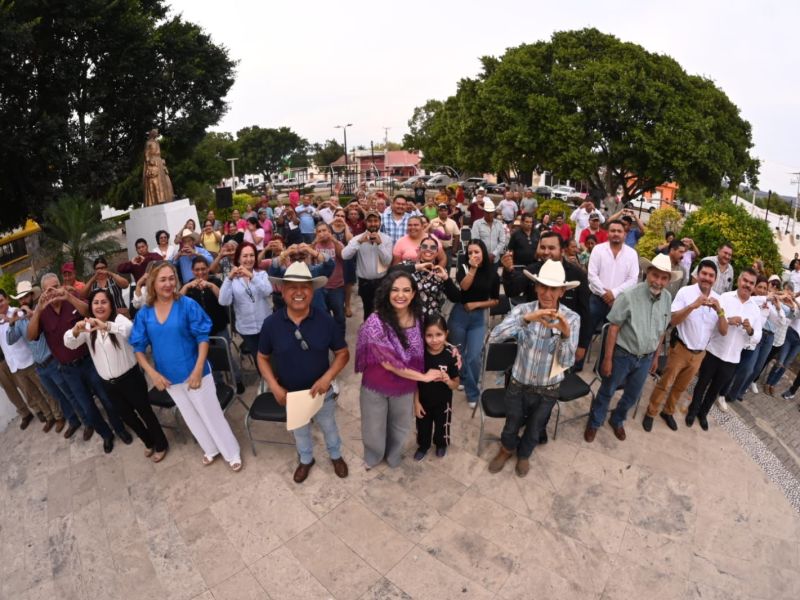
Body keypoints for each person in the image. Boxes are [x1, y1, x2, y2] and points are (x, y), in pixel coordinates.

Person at [131, 262, 242, 470]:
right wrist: (153, 374)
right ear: (153, 283)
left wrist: (199, 369)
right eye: (163, 279)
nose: (168, 283)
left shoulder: (187, 304)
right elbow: (137, 347)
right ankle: (210, 449)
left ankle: (231, 452)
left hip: (195, 371)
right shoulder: (145, 314)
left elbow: (203, 338)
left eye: (171, 278)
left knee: (211, 414)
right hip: (168, 378)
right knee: (191, 416)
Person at [257, 262, 349, 483]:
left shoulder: (326, 320)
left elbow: (343, 353)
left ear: (312, 290)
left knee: (329, 426)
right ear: (283, 290)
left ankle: (335, 455)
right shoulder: (271, 324)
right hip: (291, 395)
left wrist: (328, 377)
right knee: (300, 432)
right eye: (292, 287)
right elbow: (262, 357)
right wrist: (274, 386)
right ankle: (306, 459)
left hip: (322, 393)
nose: (299, 292)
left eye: (305, 287)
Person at [487, 260, 580, 476]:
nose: (547, 293)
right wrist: (526, 320)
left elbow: (567, 362)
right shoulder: (523, 309)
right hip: (519, 382)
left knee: (536, 426)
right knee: (512, 423)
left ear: (561, 291)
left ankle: (524, 455)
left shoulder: (572, 319)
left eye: (553, 288)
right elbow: (495, 336)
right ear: (536, 286)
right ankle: (506, 448)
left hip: (548, 388)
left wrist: (565, 335)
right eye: (543, 287)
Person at [28, 273, 130, 452]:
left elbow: (89, 311)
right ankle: (106, 435)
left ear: (61, 285)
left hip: (89, 361)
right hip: (68, 370)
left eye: (55, 286)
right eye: (47, 290)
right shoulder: (42, 312)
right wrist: (37, 310)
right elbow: (31, 335)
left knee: (106, 398)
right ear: (43, 293)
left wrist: (68, 296)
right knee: (88, 408)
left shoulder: (71, 299)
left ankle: (120, 428)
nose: (53, 292)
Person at [64, 289, 169, 462]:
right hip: (108, 384)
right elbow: (69, 343)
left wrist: (106, 326)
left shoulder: (119, 320)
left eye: (103, 302)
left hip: (131, 378)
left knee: (145, 412)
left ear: (111, 304)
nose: (99, 306)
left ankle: (161, 444)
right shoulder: (88, 327)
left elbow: (129, 330)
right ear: (90, 306)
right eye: (96, 303)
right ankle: (149, 442)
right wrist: (75, 330)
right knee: (128, 417)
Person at [584, 254, 674, 443]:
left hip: (646, 358)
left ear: (668, 280)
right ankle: (594, 422)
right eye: (655, 275)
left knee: (633, 395)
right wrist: (607, 359)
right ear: (647, 273)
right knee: (607, 391)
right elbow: (613, 327)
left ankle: (617, 419)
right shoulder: (629, 296)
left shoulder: (667, 298)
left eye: (663, 277)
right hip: (623, 355)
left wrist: (656, 357)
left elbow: (662, 330)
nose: (658, 281)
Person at [356, 271, 437, 468]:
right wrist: (424, 377)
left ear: (414, 294)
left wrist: (453, 354)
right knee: (373, 428)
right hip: (376, 386)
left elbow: (434, 342)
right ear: (387, 292)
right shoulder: (376, 321)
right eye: (395, 290)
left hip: (405, 387)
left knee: (400, 427)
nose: (400, 295)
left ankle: (393, 456)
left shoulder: (420, 319)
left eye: (406, 290)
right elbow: (389, 363)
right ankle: (374, 457)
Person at [641, 259, 724, 432]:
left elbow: (723, 331)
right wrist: (693, 306)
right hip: (680, 349)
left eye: (711, 275)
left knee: (681, 387)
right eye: (704, 274)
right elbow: (672, 320)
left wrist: (720, 311)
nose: (707, 278)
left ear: (715, 279)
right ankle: (651, 412)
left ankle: (668, 412)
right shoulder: (686, 292)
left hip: (699, 354)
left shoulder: (718, 299)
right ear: (698, 275)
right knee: (665, 384)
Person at [502, 231, 591, 370]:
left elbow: (585, 310)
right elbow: (511, 291)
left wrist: (582, 345)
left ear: (562, 250)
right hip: (533, 340)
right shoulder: (532, 270)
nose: (546, 252)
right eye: (543, 247)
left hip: (562, 341)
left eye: (551, 248)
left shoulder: (577, 274)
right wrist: (507, 271)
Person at [687, 269, 761, 431]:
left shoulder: (755, 309)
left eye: (751, 283)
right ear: (739, 281)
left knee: (715, 390)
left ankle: (703, 414)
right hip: (714, 352)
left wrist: (750, 330)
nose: (747, 285)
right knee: (702, 384)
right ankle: (692, 411)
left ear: (754, 287)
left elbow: (757, 337)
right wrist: (727, 320)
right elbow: (711, 323)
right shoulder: (725, 299)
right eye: (745, 281)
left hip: (733, 358)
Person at [7, 282, 74, 434]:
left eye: (25, 296)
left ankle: (85, 420)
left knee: (68, 393)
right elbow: (11, 340)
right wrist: (11, 324)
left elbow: (43, 329)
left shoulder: (43, 309)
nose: (23, 301)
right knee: (57, 396)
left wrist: (32, 314)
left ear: (32, 296)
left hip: (53, 361)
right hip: (40, 366)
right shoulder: (19, 320)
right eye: (20, 298)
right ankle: (73, 420)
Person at [448, 240, 500, 408]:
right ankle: (463, 377)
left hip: (478, 317)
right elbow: (464, 287)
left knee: (474, 356)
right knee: (458, 352)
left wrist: (477, 305)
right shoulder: (463, 268)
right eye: (470, 253)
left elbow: (495, 301)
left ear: (483, 253)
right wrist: (472, 268)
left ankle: (472, 391)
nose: (473, 255)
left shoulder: (492, 273)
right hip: (459, 315)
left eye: (476, 252)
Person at [413, 314, 459, 461]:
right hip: (423, 401)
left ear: (446, 334)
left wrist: (448, 381)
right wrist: (416, 402)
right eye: (429, 335)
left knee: (442, 427)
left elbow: (456, 384)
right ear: (423, 336)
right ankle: (423, 446)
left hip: (443, 402)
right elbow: (414, 381)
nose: (434, 340)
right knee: (423, 428)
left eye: (439, 334)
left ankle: (441, 444)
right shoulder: (420, 355)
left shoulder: (451, 356)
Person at [218, 241, 273, 359]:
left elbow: (268, 291)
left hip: (266, 325)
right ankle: (263, 377)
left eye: (252, 255)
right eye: (245, 256)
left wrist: (252, 276)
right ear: (238, 259)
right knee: (258, 358)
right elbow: (223, 301)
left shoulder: (261, 274)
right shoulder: (233, 280)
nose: (249, 259)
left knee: (272, 357)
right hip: (246, 328)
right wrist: (229, 278)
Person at [586, 219, 639, 335]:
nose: (616, 233)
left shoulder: (632, 254)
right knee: (587, 333)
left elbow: (633, 279)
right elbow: (592, 275)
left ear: (624, 234)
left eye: (619, 231)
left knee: (611, 337)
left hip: (619, 302)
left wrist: (614, 293)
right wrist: (605, 294)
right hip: (597, 299)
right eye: (613, 231)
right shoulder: (598, 249)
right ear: (607, 233)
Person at [341, 210, 393, 320]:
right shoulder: (357, 238)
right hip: (365, 283)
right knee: (368, 312)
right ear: (365, 222)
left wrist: (380, 244)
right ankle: (368, 335)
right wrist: (359, 242)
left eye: (376, 221)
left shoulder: (386, 239)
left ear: (380, 222)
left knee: (382, 312)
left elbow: (387, 261)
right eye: (370, 221)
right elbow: (345, 255)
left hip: (382, 281)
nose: (373, 223)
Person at [313, 222, 346, 336]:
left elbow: (342, 255)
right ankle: (327, 339)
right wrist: (314, 242)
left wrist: (334, 240)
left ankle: (340, 339)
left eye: (324, 230)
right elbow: (306, 258)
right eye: (319, 231)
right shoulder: (315, 246)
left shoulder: (337, 244)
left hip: (336, 287)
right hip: (320, 288)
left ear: (330, 232)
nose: (322, 233)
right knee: (323, 317)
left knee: (339, 316)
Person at [143, 128, 174, 206]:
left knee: (162, 180)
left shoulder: (157, 142)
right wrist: (149, 161)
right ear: (152, 133)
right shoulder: (148, 143)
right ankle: (157, 199)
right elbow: (146, 153)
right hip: (153, 161)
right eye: (155, 133)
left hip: (159, 160)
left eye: (157, 133)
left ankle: (164, 197)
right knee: (156, 181)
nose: (156, 134)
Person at [470, 199, 507, 265]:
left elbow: (502, 241)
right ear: (484, 212)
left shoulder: (499, 224)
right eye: (487, 212)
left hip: (495, 259)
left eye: (491, 212)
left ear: (494, 212)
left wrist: (494, 254)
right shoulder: (477, 223)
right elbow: (475, 241)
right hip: (480, 259)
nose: (489, 215)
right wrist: (485, 255)